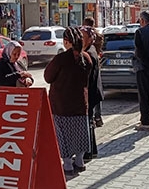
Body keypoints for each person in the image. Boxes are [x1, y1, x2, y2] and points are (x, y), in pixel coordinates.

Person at [44, 27, 93, 174]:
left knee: (63, 135)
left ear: (66, 41)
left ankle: (67, 164)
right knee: (80, 134)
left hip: (61, 105)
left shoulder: (61, 59)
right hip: (80, 104)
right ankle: (79, 161)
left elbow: (48, 77)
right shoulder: (87, 58)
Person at [81, 25, 103, 160]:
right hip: (93, 92)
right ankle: (92, 150)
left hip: (91, 93)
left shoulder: (89, 53)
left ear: (90, 39)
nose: (80, 39)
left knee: (87, 122)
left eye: (82, 37)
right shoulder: (91, 49)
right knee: (89, 122)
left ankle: (88, 152)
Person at [83, 17, 105, 127]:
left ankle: (93, 118)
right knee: (96, 88)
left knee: (92, 89)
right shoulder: (98, 35)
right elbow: (101, 50)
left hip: (92, 63)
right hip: (97, 63)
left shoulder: (88, 36)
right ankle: (98, 117)